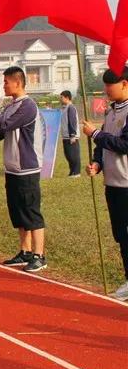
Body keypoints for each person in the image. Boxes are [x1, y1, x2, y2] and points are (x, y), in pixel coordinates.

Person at [0, 66, 47, 273]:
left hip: (26, 168)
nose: (4, 85)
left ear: (18, 83)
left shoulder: (27, 106)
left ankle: (39, 254)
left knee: (31, 211)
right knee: (18, 212)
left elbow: (3, 126)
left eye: (6, 82)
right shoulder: (11, 106)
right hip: (12, 168)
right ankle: (25, 251)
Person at [83, 67, 128, 300]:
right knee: (121, 235)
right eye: (105, 84)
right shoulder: (110, 113)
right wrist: (97, 164)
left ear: (125, 84)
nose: (106, 89)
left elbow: (124, 145)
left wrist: (95, 134)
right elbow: (102, 147)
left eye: (111, 84)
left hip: (127, 184)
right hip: (113, 185)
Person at [60, 90, 81, 177]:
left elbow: (72, 121)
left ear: (67, 97)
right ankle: (72, 171)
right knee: (68, 155)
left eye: (61, 97)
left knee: (73, 155)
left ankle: (76, 172)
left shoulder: (71, 108)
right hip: (65, 136)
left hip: (71, 136)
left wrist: (72, 135)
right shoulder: (64, 108)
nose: (60, 99)